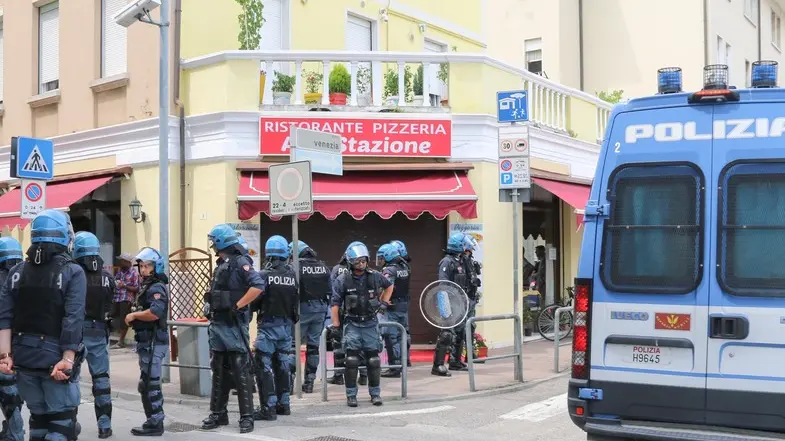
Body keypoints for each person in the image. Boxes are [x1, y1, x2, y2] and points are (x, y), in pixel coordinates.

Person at [0, 210, 86, 441]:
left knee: (38, 421)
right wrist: (68, 358)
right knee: (62, 424)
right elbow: (73, 318)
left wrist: (5, 355)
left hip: (23, 358)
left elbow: (5, 316)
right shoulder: (72, 271)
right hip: (55, 359)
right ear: (63, 235)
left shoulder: (16, 272)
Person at [201, 225, 262, 433]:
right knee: (218, 370)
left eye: (213, 240)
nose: (211, 244)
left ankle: (247, 417)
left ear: (220, 241)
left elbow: (257, 286)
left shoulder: (240, 262)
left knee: (240, 370)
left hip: (234, 324)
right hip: (218, 323)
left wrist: (239, 305)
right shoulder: (222, 264)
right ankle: (218, 414)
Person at [329, 242, 393, 407]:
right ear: (350, 261)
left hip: (371, 323)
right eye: (357, 261)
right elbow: (335, 304)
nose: (361, 264)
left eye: (363, 261)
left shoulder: (375, 276)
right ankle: (351, 395)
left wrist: (384, 303)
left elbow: (389, 285)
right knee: (351, 360)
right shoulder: (342, 280)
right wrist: (336, 326)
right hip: (352, 323)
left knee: (373, 360)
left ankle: (375, 394)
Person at [73, 232, 115, 439]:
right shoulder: (107, 278)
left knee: (71, 380)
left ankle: (69, 422)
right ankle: (104, 426)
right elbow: (111, 305)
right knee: (101, 380)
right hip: (99, 331)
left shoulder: (73, 274)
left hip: (76, 333)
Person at [251, 235, 298, 421]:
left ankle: (268, 408)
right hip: (286, 327)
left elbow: (254, 302)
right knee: (283, 365)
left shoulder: (264, 275)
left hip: (269, 326)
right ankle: (284, 404)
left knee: (263, 366)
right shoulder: (292, 275)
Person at [124, 247, 169, 436]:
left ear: (156, 267)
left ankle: (156, 422)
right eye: (141, 266)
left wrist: (134, 314)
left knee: (151, 383)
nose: (143, 270)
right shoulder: (147, 286)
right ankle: (152, 419)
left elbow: (155, 313)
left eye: (147, 266)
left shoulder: (156, 287)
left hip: (153, 341)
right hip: (146, 341)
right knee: (146, 384)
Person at [288, 241, 330, 393]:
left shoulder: (294, 267)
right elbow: (330, 291)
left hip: (301, 311)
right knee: (313, 347)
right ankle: (309, 383)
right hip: (319, 311)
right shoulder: (323, 267)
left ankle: (289, 382)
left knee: (292, 347)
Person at [431, 232, 473, 376]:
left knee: (460, 332)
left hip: (460, 302)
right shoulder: (446, 262)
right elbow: (442, 284)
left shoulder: (460, 261)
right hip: (448, 302)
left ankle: (455, 361)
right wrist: (445, 307)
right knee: (447, 334)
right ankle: (438, 365)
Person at [327, 247, 368, 386]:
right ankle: (363, 376)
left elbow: (332, 291)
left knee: (339, 346)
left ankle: (339, 375)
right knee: (361, 345)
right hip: (358, 314)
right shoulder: (367, 272)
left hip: (342, 313)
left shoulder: (337, 270)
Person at [0, 238, 24, 441]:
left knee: (8, 387)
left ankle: (15, 432)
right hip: (26, 341)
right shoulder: (30, 275)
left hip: (3, 342)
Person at [377, 243, 411, 378]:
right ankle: (404, 362)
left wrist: (381, 302)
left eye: (381, 257)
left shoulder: (389, 270)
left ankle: (394, 367)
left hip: (392, 307)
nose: (379, 260)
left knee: (391, 337)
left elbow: (386, 287)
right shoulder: (405, 267)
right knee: (402, 335)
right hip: (403, 305)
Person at [111, 253, 139, 349]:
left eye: (122, 260)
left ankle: (121, 341)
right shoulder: (120, 271)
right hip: (117, 297)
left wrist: (125, 286)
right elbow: (117, 280)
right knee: (112, 316)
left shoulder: (133, 273)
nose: (120, 262)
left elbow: (137, 288)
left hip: (126, 299)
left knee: (124, 320)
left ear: (127, 262)